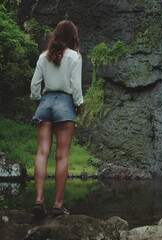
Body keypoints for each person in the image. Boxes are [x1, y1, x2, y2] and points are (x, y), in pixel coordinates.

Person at [30, 20, 83, 219]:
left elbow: (35, 85)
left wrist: (39, 100)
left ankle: (39, 200)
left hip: (45, 103)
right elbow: (75, 86)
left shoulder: (44, 56)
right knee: (62, 156)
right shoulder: (74, 56)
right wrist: (78, 103)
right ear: (73, 36)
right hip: (65, 103)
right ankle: (58, 205)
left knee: (42, 152)